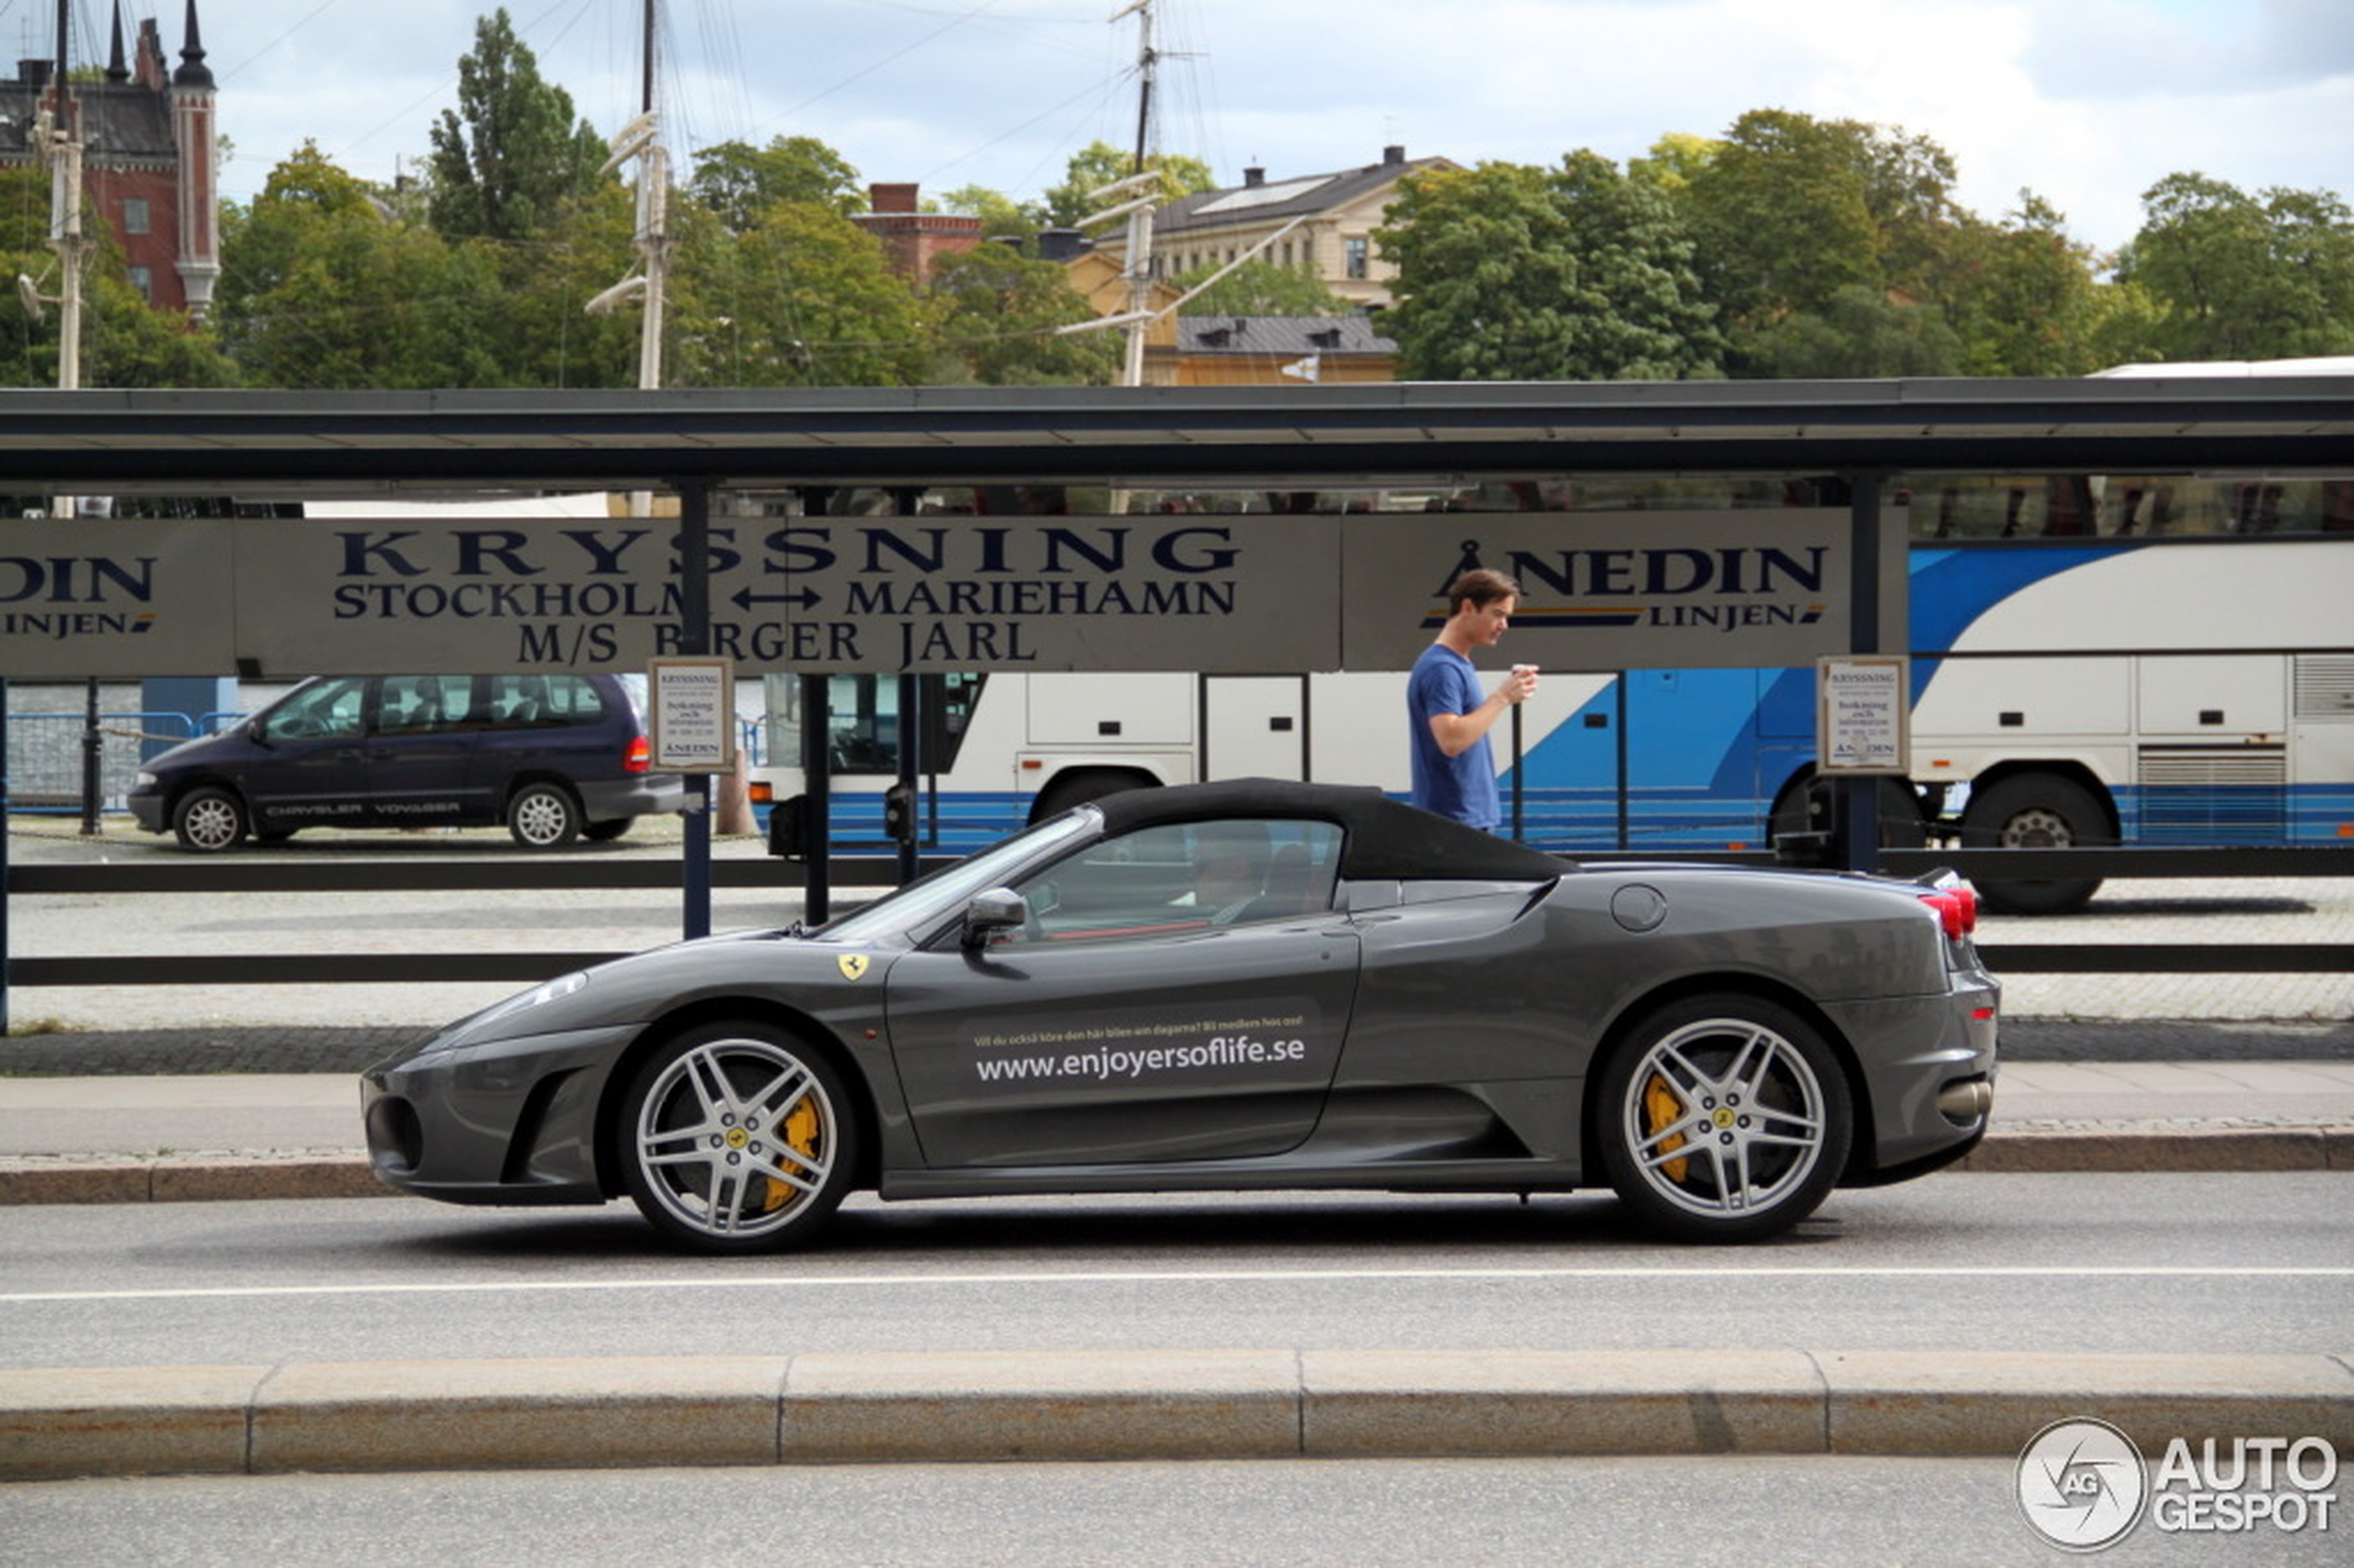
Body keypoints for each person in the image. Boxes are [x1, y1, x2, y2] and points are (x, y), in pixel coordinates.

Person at [1407, 567, 1537, 830]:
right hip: (1454, 824)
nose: (1504, 625)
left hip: (1462, 820)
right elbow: (1451, 740)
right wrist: (1502, 697)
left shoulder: (1455, 665)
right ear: (1468, 607)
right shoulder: (1442, 668)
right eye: (1497, 614)